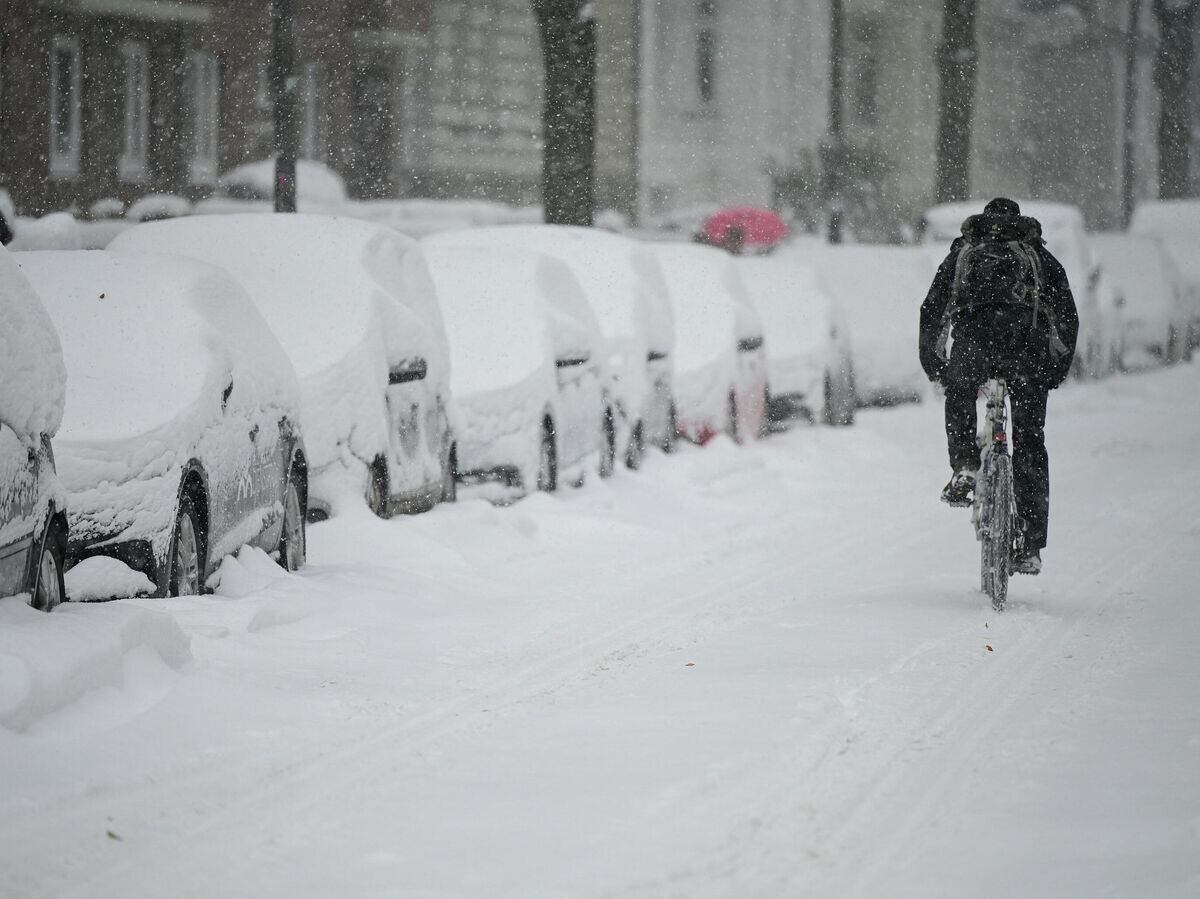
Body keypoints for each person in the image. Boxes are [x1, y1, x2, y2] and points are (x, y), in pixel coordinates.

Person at [918, 197, 1078, 575]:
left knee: (959, 393)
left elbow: (933, 308)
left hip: (975, 347)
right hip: (1027, 353)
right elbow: (1067, 315)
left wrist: (936, 364)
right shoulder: (1037, 255)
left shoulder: (964, 251)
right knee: (1030, 442)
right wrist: (1057, 368)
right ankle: (1031, 545)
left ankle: (965, 466)